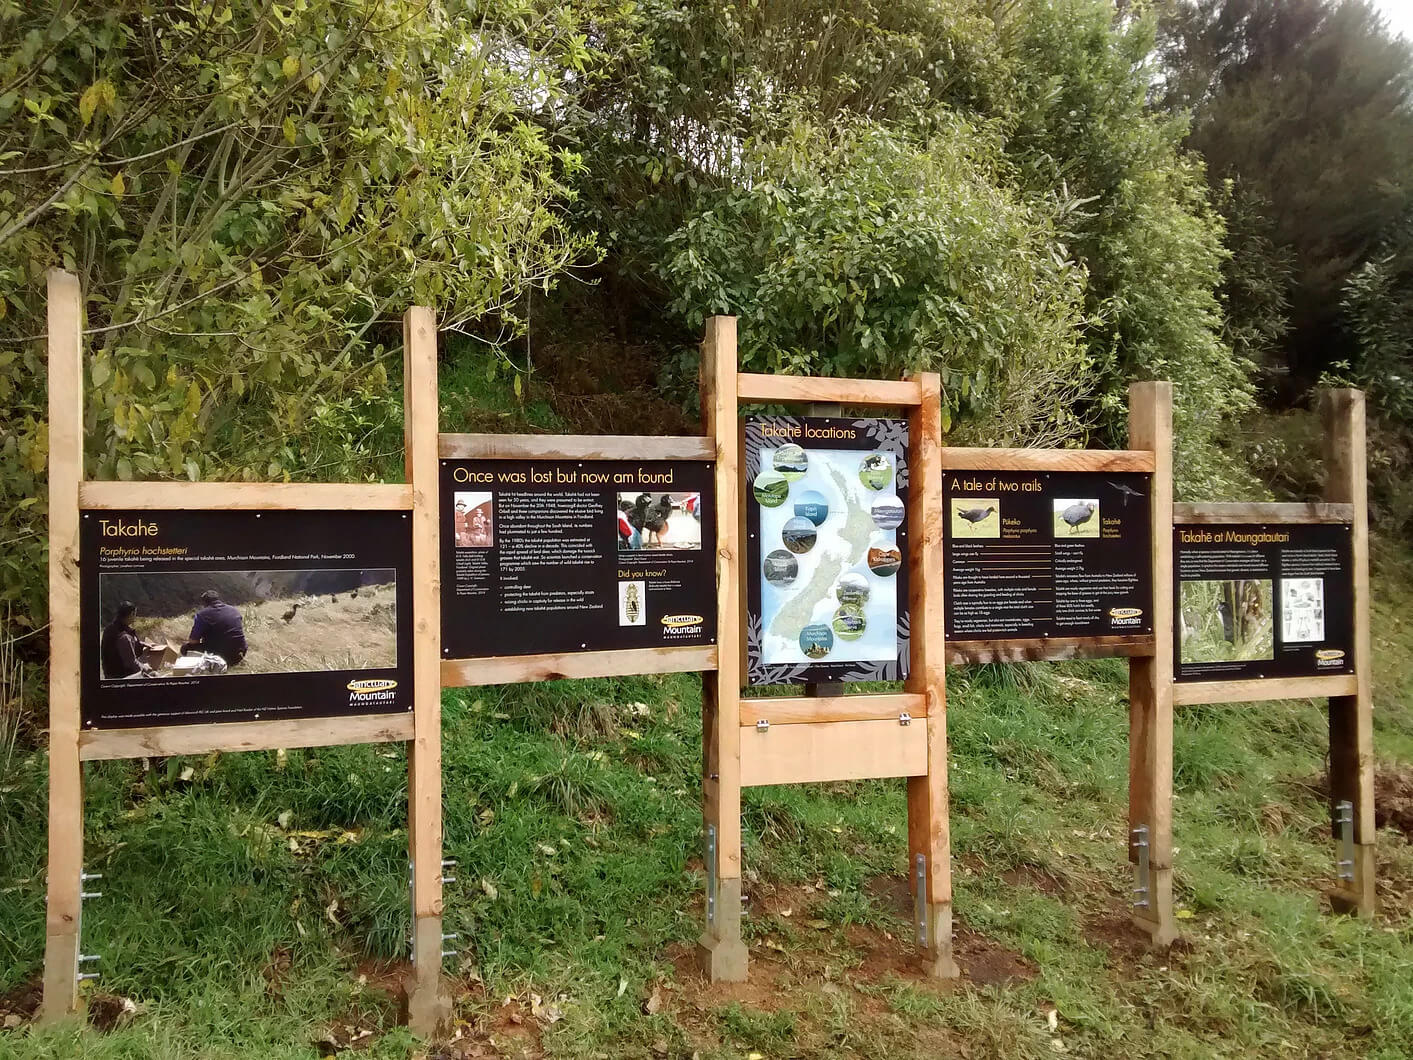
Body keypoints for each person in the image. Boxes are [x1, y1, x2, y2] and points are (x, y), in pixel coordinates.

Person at [182, 589, 247, 665]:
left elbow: (193, 641)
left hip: (220, 656)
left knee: (185, 648)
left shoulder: (202, 615)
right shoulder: (234, 610)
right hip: (239, 653)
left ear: (204, 603)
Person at [100, 601, 157, 679]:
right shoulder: (124, 636)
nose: (135, 617)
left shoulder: (109, 629)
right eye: (134, 614)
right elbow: (131, 663)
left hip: (109, 675)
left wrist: (141, 644)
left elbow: (118, 646)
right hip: (122, 678)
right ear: (131, 614)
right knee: (154, 675)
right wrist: (146, 668)